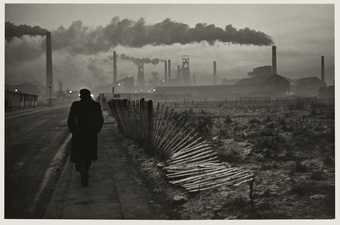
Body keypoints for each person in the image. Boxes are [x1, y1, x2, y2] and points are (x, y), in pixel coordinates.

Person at [67, 89, 104, 187]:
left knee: (78, 152)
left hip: (78, 133)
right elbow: (100, 119)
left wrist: (73, 130)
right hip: (91, 133)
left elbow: (70, 119)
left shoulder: (76, 105)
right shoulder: (95, 105)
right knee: (89, 154)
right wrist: (97, 129)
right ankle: (85, 170)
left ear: (81, 96)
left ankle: (81, 169)